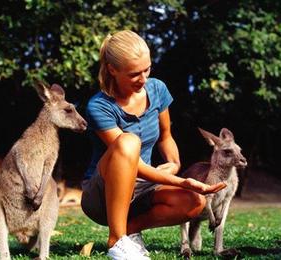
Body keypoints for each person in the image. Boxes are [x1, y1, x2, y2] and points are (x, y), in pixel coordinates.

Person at [81, 29, 226, 259]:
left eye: (147, 69)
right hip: (102, 195)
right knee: (128, 142)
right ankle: (116, 239)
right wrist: (181, 180)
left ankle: (130, 231)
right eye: (134, 74)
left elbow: (166, 137)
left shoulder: (157, 89)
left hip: (145, 187)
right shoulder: (99, 107)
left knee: (194, 202)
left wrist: (174, 163)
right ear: (112, 69)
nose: (143, 79)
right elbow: (133, 164)